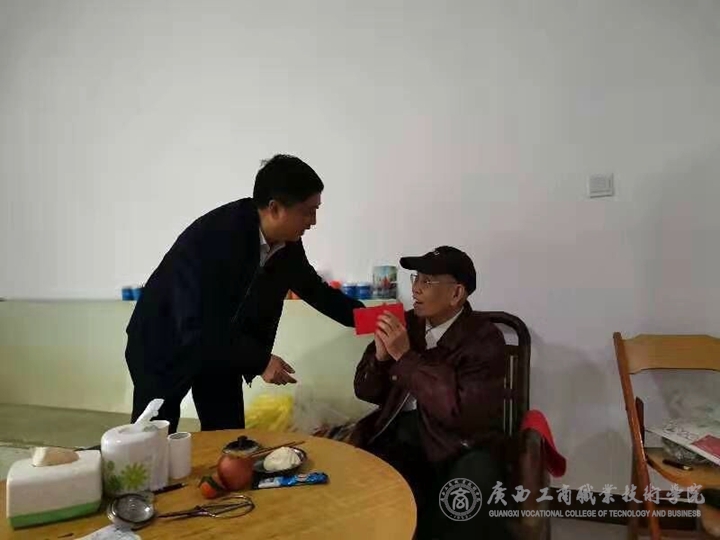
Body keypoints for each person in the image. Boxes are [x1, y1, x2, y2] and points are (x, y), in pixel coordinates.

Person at [126, 154, 364, 432]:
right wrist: (260, 361)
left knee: (228, 434)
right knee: (153, 435)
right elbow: (195, 324)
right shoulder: (217, 237)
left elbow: (317, 291)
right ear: (275, 209)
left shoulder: (287, 245)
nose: (313, 221)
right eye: (307, 211)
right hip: (164, 341)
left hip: (221, 346)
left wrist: (373, 319)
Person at [352, 246, 510, 539]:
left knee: (467, 497)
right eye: (416, 278)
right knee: (372, 498)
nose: (415, 289)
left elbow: (460, 413)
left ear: (456, 293)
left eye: (427, 281)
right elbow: (364, 391)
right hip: (403, 438)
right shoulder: (404, 323)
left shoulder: (485, 339)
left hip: (461, 445)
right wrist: (381, 359)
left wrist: (405, 357)